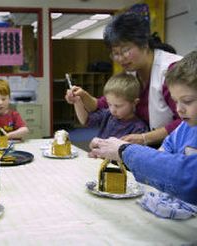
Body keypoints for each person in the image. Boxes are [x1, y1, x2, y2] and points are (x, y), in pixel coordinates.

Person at [89, 51, 197, 205]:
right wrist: (114, 153)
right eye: (175, 101)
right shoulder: (183, 128)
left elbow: (187, 176)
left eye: (187, 101)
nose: (179, 109)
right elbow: (159, 161)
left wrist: (124, 151)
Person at [65, 12, 182, 146]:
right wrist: (81, 96)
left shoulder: (171, 71)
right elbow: (102, 104)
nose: (120, 58)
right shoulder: (131, 71)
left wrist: (144, 137)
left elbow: (187, 121)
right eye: (115, 53)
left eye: (125, 50)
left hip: (174, 147)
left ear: (144, 44)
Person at [72, 73, 148, 139]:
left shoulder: (138, 128)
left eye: (118, 106)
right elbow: (86, 120)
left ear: (134, 102)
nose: (112, 110)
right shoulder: (108, 114)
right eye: (109, 104)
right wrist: (77, 101)